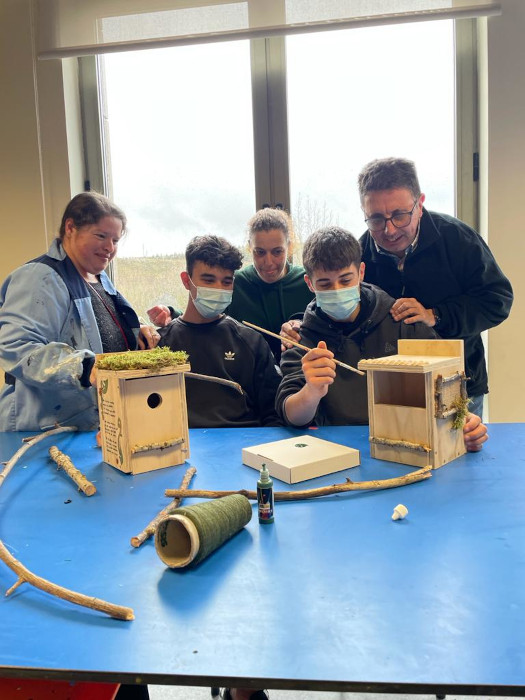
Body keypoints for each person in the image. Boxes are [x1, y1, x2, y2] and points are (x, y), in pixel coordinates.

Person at [276, 226, 487, 452]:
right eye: (325, 284)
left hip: (407, 447)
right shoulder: (301, 338)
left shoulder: (402, 322)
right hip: (334, 452)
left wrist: (464, 426)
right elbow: (292, 415)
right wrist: (312, 390)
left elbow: (446, 389)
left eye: (346, 280)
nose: (337, 290)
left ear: (362, 272)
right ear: (309, 283)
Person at [357, 157, 513, 418]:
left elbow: (497, 300)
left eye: (399, 215)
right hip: (389, 391)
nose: (389, 229)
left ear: (420, 204)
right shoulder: (359, 253)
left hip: (459, 385)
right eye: (375, 219)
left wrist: (436, 315)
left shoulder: (458, 239)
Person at [0, 191, 159, 432]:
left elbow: (98, 327)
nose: (109, 247)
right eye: (101, 236)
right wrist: (82, 368)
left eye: (115, 240)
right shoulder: (40, 277)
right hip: (42, 429)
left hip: (89, 425)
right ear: (70, 227)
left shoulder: (99, 278)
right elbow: (16, 346)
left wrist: (136, 329)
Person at [148, 207, 314, 362]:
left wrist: (301, 326)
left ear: (289, 247)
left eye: (277, 252)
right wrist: (172, 314)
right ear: (250, 247)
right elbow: (207, 315)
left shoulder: (307, 283)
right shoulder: (234, 283)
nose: (268, 261)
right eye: (260, 252)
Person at [157, 234, 282, 429]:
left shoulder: (251, 341)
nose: (218, 288)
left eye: (226, 282)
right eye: (208, 280)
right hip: (182, 447)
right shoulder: (161, 343)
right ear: (186, 280)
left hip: (243, 443)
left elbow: (274, 414)